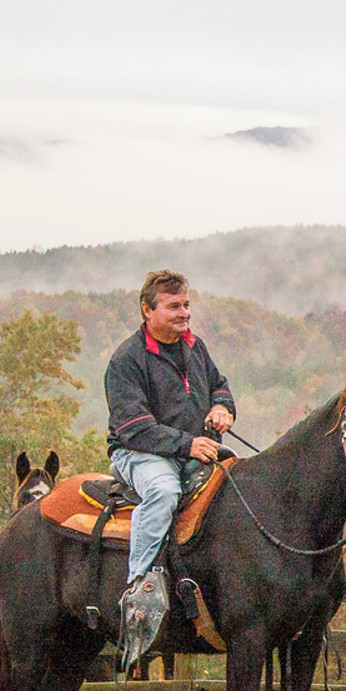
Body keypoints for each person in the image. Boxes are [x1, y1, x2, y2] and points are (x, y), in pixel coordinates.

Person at [105, 270, 237, 670]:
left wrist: (222, 407)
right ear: (148, 310)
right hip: (140, 453)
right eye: (175, 306)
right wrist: (186, 444)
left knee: (237, 481)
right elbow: (133, 427)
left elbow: (220, 384)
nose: (185, 313)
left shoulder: (195, 348)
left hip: (190, 449)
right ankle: (140, 588)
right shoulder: (126, 360)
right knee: (163, 492)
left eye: (187, 305)